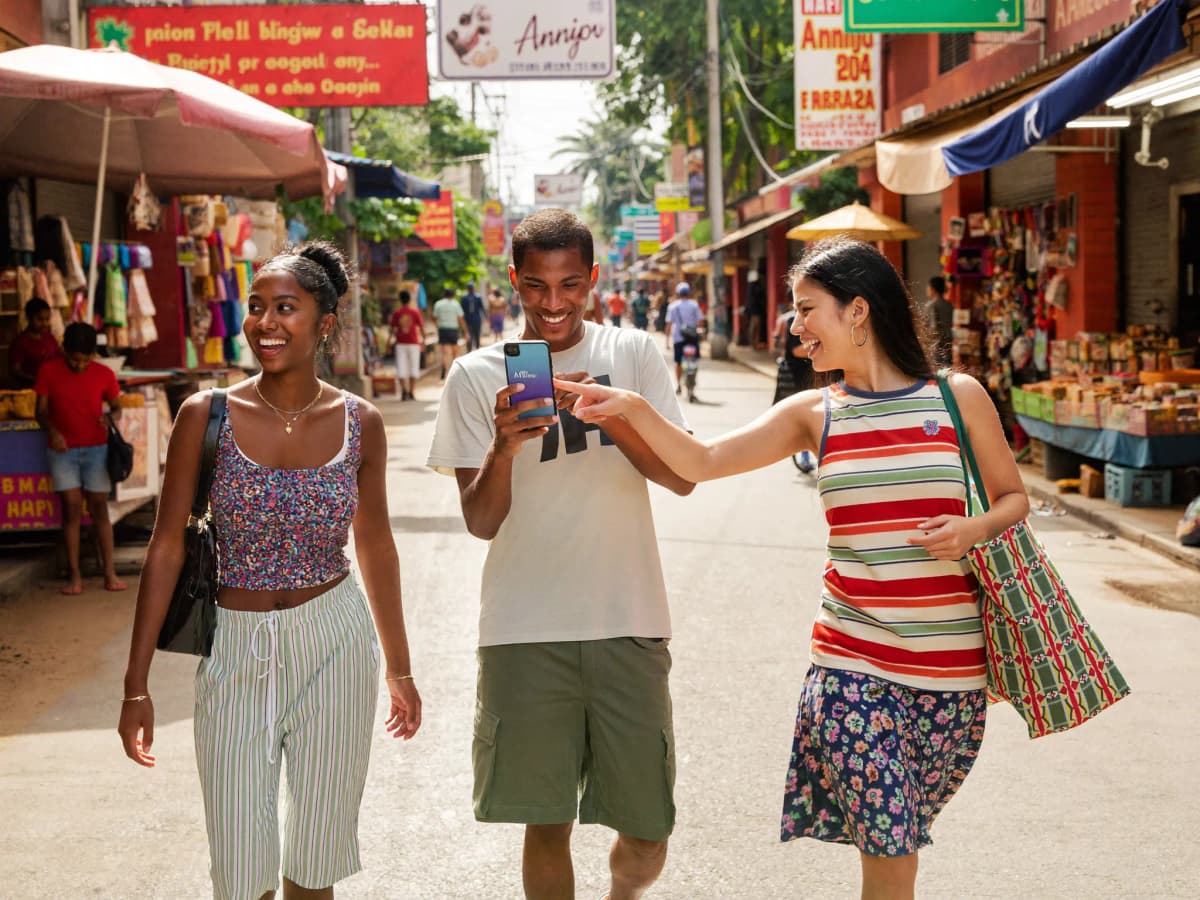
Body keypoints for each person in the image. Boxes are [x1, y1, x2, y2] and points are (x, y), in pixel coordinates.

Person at [555, 239, 1030, 900]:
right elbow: (704, 461)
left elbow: (1015, 499)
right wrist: (633, 411)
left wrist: (972, 529)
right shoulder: (814, 414)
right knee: (892, 854)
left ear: (858, 311)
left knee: (899, 839)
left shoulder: (959, 399)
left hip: (954, 682)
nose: (794, 326)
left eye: (807, 309)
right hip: (852, 674)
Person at [117, 242, 421, 900]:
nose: (265, 322)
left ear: (325, 321)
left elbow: (376, 544)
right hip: (234, 645)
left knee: (315, 859)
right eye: (256, 308)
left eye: (286, 307)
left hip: (335, 644)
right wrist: (135, 684)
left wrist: (399, 667)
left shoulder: (361, 423)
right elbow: (167, 546)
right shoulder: (207, 415)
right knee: (239, 865)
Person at [426, 208, 693, 900]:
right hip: (523, 628)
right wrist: (504, 446)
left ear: (593, 280)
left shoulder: (634, 356)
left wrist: (617, 415)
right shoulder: (474, 377)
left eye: (570, 284)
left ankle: (623, 893)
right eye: (537, 286)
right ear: (514, 281)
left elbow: (682, 475)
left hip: (627, 619)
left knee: (648, 826)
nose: (554, 303)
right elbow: (481, 521)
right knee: (545, 822)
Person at [34, 322, 125, 596]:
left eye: (86, 359)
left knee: (99, 510)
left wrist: (110, 416)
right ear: (65, 351)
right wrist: (53, 431)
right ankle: (75, 576)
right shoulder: (48, 371)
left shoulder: (105, 373)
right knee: (71, 509)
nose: (81, 364)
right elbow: (40, 412)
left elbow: (117, 407)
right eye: (75, 359)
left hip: (97, 449)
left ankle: (110, 572)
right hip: (62, 451)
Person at [773, 308, 816, 472]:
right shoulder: (792, 322)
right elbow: (796, 350)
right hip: (797, 377)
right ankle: (804, 455)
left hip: (812, 376)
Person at [8, 297, 61, 388]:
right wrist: (36, 379)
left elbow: (59, 357)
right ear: (29, 318)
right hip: (30, 390)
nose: (44, 323)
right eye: (40, 320)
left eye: (47, 319)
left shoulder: (49, 337)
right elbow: (15, 371)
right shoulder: (20, 342)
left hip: (50, 386)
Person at [665, 282, 702, 397]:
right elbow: (700, 321)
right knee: (692, 362)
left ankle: (679, 385)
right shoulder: (694, 305)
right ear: (688, 293)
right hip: (692, 338)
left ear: (678, 293)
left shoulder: (673, 306)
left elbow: (669, 324)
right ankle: (691, 388)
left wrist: (667, 341)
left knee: (678, 363)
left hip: (678, 339)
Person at [389, 290, 424, 401]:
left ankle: (404, 391)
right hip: (414, 343)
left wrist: (388, 343)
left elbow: (392, 329)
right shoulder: (415, 312)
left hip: (401, 343)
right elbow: (421, 328)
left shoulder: (397, 313)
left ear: (400, 300)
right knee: (414, 367)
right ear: (409, 299)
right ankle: (411, 392)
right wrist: (424, 340)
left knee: (401, 367)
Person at [433, 287, 467, 380]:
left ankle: (444, 370)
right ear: (453, 295)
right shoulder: (455, 304)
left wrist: (438, 326)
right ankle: (453, 372)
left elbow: (435, 318)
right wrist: (466, 331)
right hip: (453, 330)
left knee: (445, 352)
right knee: (454, 352)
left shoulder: (438, 304)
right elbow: (461, 318)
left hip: (442, 329)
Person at [926, 275, 954, 366]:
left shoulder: (932, 305)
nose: (927, 289)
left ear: (933, 289)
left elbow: (934, 327)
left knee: (937, 370)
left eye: (928, 287)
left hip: (937, 344)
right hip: (949, 341)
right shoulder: (949, 305)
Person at [461, 280, 486, 352]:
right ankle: (476, 349)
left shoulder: (464, 298)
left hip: (468, 320)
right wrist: (485, 317)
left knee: (470, 335)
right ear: (473, 288)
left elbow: (462, 310)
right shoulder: (477, 297)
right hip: (476, 320)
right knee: (476, 335)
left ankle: (469, 351)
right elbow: (482, 308)